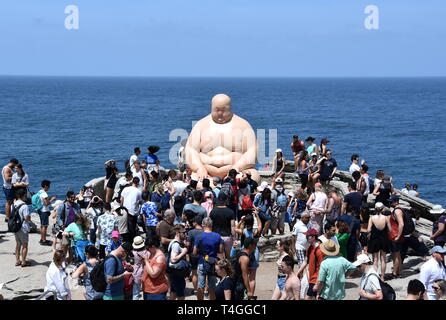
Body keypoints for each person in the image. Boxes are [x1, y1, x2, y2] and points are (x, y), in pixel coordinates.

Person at [184, 94, 259, 181]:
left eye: (223, 110)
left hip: (236, 173)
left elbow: (252, 151)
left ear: (230, 108)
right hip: (205, 174)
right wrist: (199, 168)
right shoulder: (200, 125)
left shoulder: (243, 125)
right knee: (193, 179)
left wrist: (236, 168)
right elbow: (191, 150)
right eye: (216, 110)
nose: (220, 114)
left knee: (253, 176)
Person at [193, 217, 224, 300]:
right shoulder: (217, 236)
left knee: (200, 286)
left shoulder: (199, 237)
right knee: (212, 287)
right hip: (213, 263)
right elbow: (221, 251)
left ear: (203, 225)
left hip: (202, 262)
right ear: (211, 225)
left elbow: (194, 252)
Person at [233, 210, 262, 295]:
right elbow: (260, 225)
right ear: (253, 222)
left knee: (244, 274)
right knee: (252, 277)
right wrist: (257, 215)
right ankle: (251, 294)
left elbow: (235, 229)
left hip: (244, 253)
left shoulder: (243, 231)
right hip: (254, 252)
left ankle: (245, 292)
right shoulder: (255, 231)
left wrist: (241, 221)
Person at [297, 229, 324, 300]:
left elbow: (321, 267)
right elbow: (305, 261)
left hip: (316, 278)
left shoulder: (319, 250)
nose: (306, 237)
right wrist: (297, 272)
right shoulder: (310, 247)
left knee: (308, 298)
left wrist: (318, 282)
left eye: (307, 236)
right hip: (311, 277)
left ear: (313, 237)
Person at [141, 234, 169, 300]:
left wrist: (146, 261)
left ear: (153, 246)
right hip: (148, 290)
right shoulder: (151, 254)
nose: (147, 250)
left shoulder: (160, 257)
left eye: (147, 248)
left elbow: (153, 274)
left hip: (156, 291)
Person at [367, 202, 390, 281]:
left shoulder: (372, 218)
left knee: (375, 259)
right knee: (383, 259)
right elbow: (390, 230)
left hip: (375, 239)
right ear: (383, 208)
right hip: (384, 239)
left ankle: (375, 276)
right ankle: (382, 277)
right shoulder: (386, 218)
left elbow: (369, 229)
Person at [210, 193, 235, 259]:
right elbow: (232, 227)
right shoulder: (230, 212)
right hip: (227, 237)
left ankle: (219, 269)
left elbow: (210, 225)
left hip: (216, 236)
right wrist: (234, 238)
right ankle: (228, 268)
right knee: (228, 257)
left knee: (218, 256)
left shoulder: (213, 211)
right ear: (226, 200)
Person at [167, 224, 188, 300]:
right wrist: (183, 252)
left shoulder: (174, 242)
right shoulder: (176, 245)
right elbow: (173, 259)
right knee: (180, 294)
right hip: (177, 273)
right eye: (183, 232)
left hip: (173, 272)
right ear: (177, 233)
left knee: (173, 291)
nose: (186, 234)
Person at [386, 195, 405, 279]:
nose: (390, 203)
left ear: (396, 202)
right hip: (394, 235)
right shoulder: (398, 210)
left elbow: (401, 224)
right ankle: (398, 272)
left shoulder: (397, 211)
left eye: (391, 201)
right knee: (397, 255)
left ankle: (395, 273)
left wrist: (398, 236)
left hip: (395, 236)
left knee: (396, 255)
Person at [12, 189, 31, 267]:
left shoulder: (13, 204)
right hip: (23, 227)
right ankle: (23, 261)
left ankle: (17, 260)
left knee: (18, 244)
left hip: (15, 227)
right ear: (23, 195)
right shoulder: (24, 206)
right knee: (25, 245)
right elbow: (26, 217)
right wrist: (30, 219)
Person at [186, 215, 204, 293]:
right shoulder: (205, 231)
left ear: (195, 223)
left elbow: (188, 244)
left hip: (194, 255)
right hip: (204, 255)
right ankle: (205, 290)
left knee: (194, 273)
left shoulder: (191, 232)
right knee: (204, 273)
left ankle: (196, 290)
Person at [131, 236, 147, 300]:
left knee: (136, 293)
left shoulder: (133, 253)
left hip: (136, 273)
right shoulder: (146, 252)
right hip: (145, 273)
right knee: (146, 291)